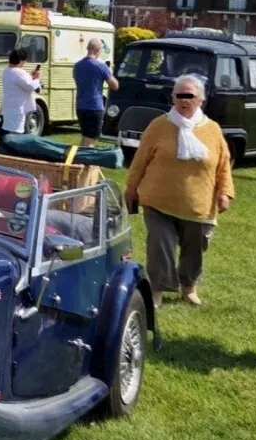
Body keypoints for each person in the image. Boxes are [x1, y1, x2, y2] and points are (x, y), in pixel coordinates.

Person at [124, 74, 234, 308]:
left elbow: (223, 164)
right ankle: (157, 290)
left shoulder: (212, 130)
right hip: (158, 201)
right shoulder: (159, 126)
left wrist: (224, 192)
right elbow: (139, 161)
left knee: (194, 249)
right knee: (160, 244)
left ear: (200, 100)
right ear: (173, 98)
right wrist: (131, 190)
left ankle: (189, 287)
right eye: (179, 96)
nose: (184, 101)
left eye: (190, 96)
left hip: (198, 205)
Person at [74, 38, 119, 147]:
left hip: (80, 106)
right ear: (98, 49)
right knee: (91, 140)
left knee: (85, 137)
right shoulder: (101, 66)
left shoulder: (77, 66)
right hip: (94, 107)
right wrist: (110, 72)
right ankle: (86, 162)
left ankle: (79, 162)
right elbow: (115, 86)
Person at [1, 48, 42, 135]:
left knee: (11, 132)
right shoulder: (19, 72)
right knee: (17, 133)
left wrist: (30, 76)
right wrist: (37, 78)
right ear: (20, 60)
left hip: (8, 106)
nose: (24, 63)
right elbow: (30, 86)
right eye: (24, 60)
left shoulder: (6, 71)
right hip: (17, 107)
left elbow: (21, 82)